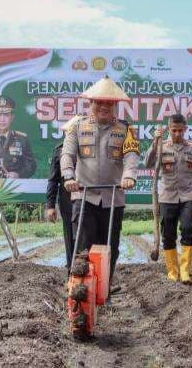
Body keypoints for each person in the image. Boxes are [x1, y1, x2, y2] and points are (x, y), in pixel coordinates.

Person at [61, 76, 139, 291]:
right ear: (91, 103)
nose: (104, 107)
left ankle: (105, 286)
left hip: (113, 197)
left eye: (109, 103)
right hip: (83, 195)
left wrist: (129, 175)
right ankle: (80, 288)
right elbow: (67, 155)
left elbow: (131, 155)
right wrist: (68, 177)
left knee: (109, 246)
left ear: (115, 105)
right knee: (83, 244)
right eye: (99, 102)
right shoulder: (76, 127)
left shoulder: (125, 129)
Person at [144, 114, 192, 284]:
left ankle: (185, 271)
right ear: (168, 130)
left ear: (186, 129)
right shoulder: (161, 146)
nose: (177, 134)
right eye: (174, 130)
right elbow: (147, 163)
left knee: (188, 229)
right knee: (168, 234)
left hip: (188, 196)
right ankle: (173, 271)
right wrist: (155, 142)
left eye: (180, 130)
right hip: (167, 197)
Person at [46, 115, 82, 273]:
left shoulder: (90, 151)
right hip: (67, 201)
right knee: (70, 236)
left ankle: (90, 272)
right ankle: (71, 270)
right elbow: (53, 180)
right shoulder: (59, 151)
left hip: (89, 199)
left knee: (87, 236)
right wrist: (50, 206)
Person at [0, 95, 36, 178]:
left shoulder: (22, 139)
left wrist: (18, 174)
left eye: (6, 115)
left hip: (14, 186)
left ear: (12, 117)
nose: (2, 119)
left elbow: (31, 165)